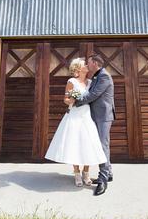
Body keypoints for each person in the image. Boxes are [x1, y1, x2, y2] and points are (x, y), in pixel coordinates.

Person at [44, 58, 107, 187]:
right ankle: (77, 173)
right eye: (84, 64)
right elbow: (66, 100)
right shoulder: (71, 81)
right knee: (74, 143)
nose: (86, 65)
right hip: (74, 116)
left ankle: (86, 172)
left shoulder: (90, 82)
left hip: (87, 116)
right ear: (78, 68)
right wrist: (72, 98)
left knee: (89, 143)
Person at [71, 54, 115, 196]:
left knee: (102, 146)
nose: (87, 65)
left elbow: (93, 95)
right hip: (95, 115)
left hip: (103, 116)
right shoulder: (96, 76)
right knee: (101, 145)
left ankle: (103, 180)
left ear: (95, 63)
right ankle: (108, 173)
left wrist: (76, 101)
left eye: (89, 63)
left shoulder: (104, 76)